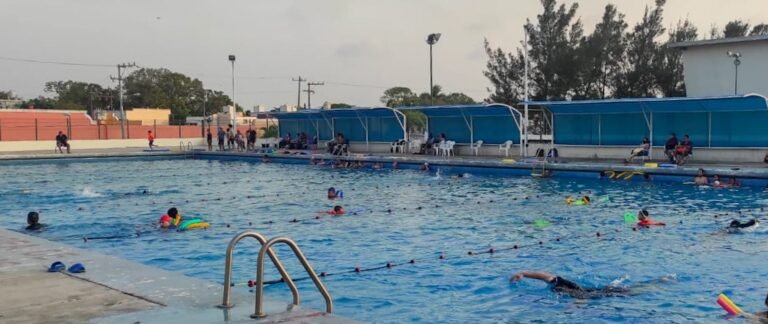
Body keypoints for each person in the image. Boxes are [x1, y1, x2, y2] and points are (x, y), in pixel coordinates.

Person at [510, 271, 632, 299]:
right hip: (588, 292)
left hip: (592, 294)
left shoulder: (560, 286)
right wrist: (523, 273)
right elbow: (545, 276)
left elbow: (582, 298)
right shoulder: (557, 284)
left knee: (626, 292)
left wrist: (575, 307)